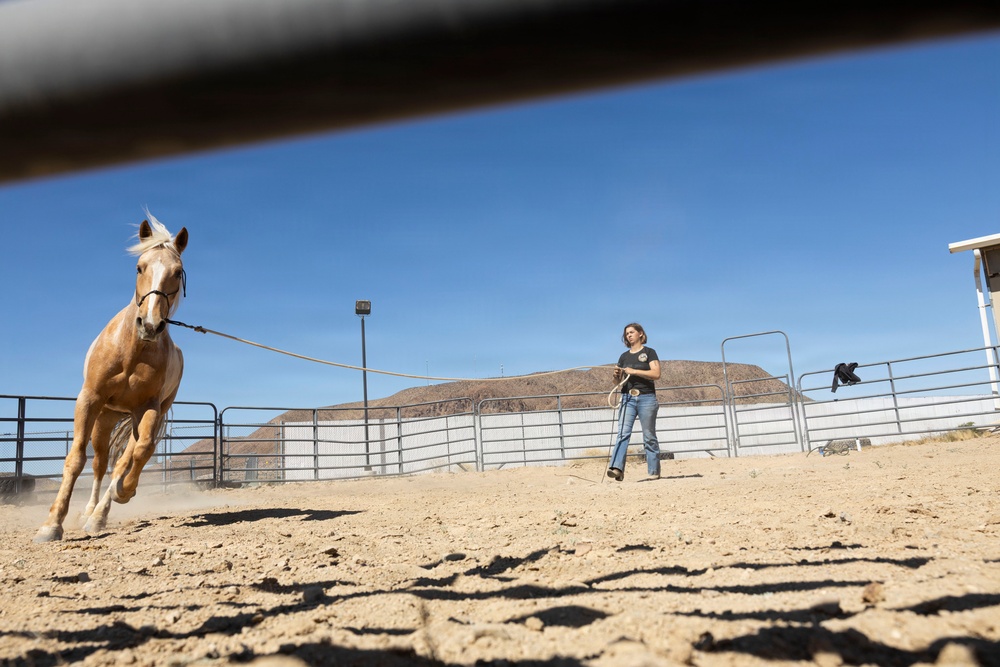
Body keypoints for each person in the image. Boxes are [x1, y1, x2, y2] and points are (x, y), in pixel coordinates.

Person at [608, 323, 662, 481]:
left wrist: (635, 371)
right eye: (626, 333)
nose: (629, 335)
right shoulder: (624, 357)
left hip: (646, 398)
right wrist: (616, 375)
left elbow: (656, 373)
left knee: (649, 435)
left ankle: (654, 471)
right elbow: (616, 382)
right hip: (627, 398)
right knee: (622, 434)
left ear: (640, 334)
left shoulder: (649, 352)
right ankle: (617, 468)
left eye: (631, 332)